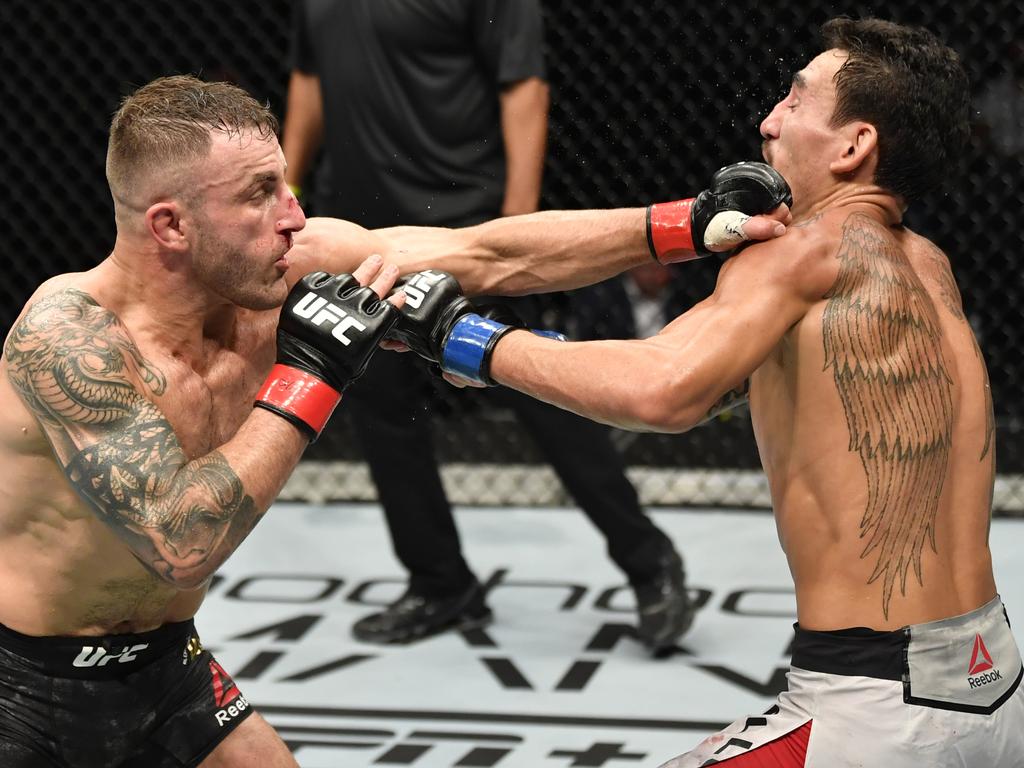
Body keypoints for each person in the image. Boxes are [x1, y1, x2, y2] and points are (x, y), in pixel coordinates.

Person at [0, 73, 787, 764]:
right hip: (23, 690)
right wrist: (315, 374)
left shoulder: (281, 268)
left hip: (169, 666)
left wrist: (688, 223)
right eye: (256, 195)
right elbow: (179, 541)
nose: (294, 217)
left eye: (284, 184)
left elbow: (487, 255)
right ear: (169, 226)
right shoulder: (70, 341)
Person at [328, 18, 1024, 766]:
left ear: (854, 146)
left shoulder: (799, 252)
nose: (768, 121)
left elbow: (664, 390)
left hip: (872, 710)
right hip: (996, 679)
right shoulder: (929, 266)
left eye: (795, 100)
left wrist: (462, 338)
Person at [281, 0, 696, 653]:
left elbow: (524, 89)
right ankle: (441, 583)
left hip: (462, 228)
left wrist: (513, 238)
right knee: (381, 411)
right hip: (354, 231)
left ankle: (649, 561)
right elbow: (309, 79)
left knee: (541, 394)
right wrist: (291, 194)